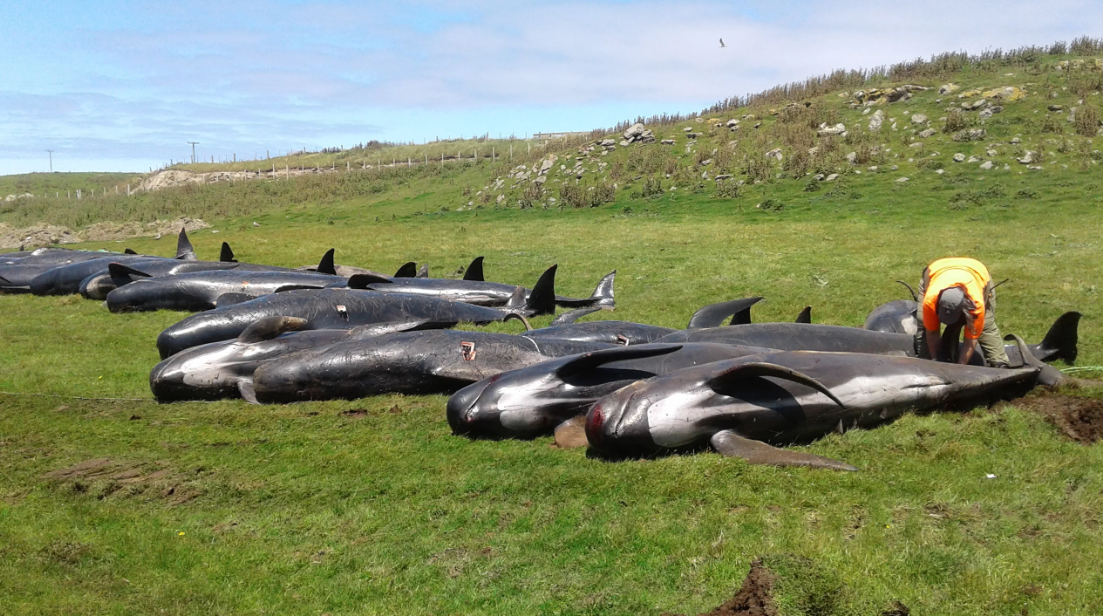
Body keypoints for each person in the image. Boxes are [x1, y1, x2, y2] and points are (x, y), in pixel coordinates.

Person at [914, 257, 1010, 367]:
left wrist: (961, 367)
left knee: (985, 325)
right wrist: (935, 361)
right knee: (924, 323)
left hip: (977, 274)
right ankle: (924, 362)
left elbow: (971, 340)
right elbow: (932, 332)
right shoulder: (930, 301)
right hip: (935, 273)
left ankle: (999, 363)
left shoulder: (976, 305)